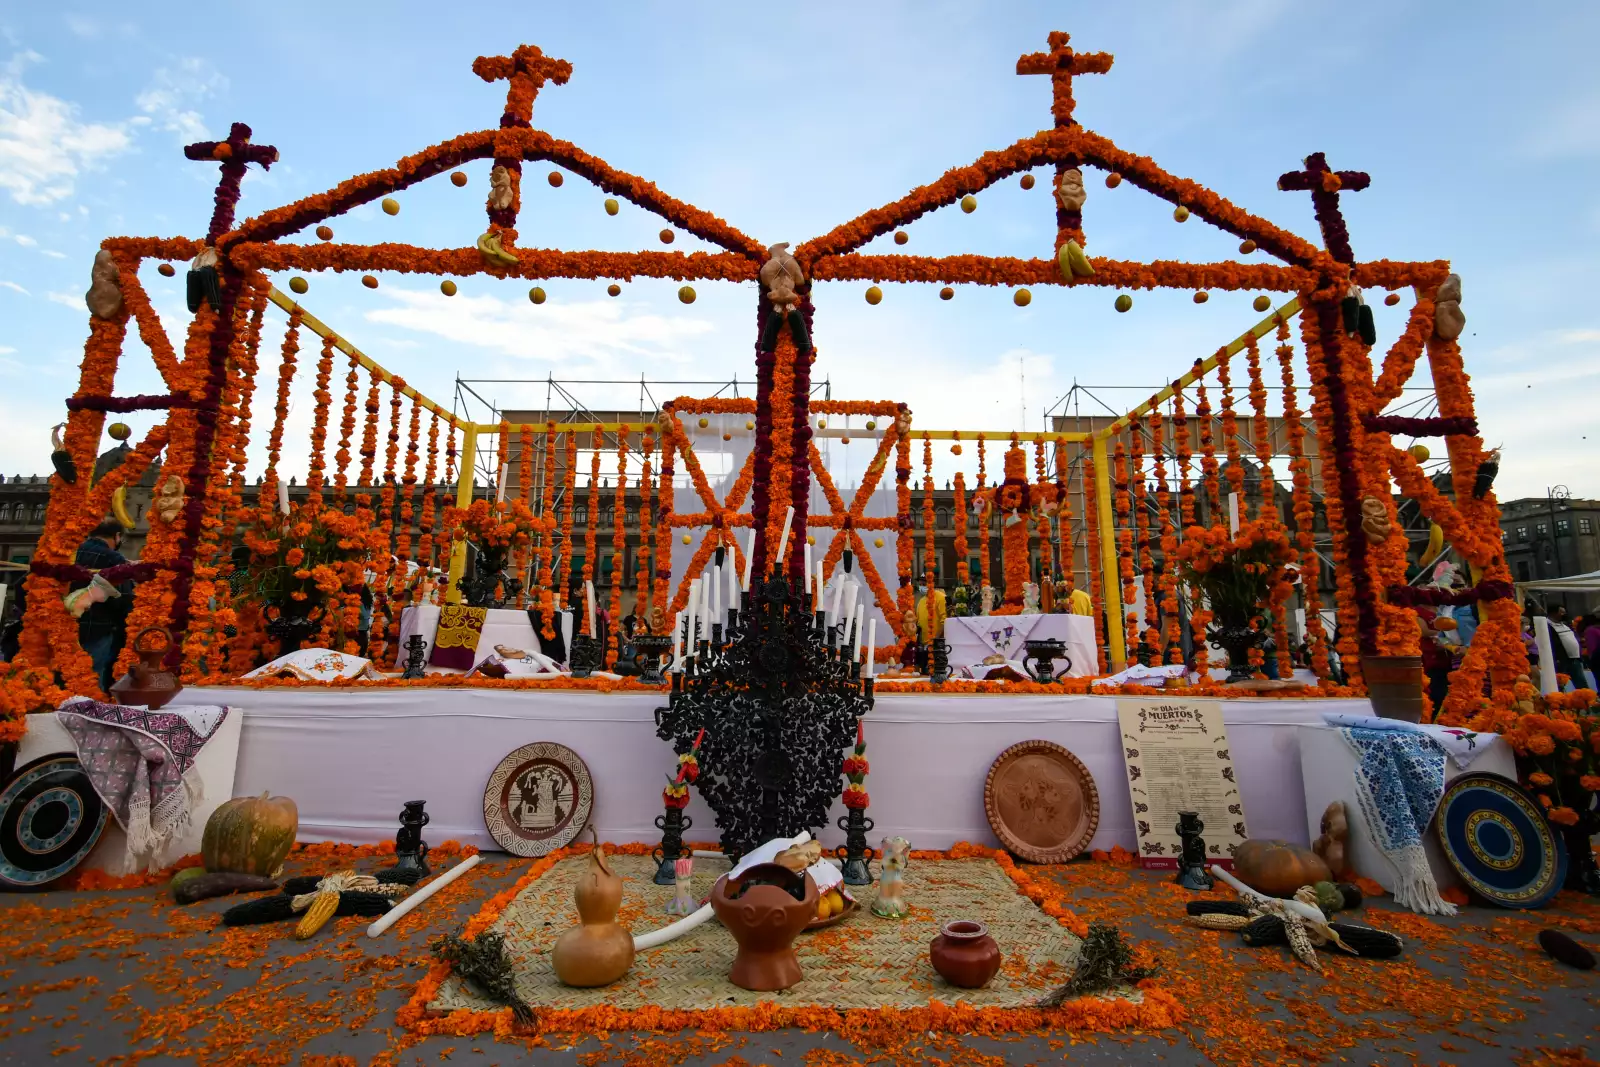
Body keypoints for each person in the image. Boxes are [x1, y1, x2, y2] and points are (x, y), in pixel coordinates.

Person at [73, 518, 135, 691]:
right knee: (92, 678)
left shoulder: (70, 551)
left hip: (63, 628)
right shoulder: (113, 557)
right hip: (98, 628)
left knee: (64, 675)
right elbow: (124, 597)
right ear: (116, 536)